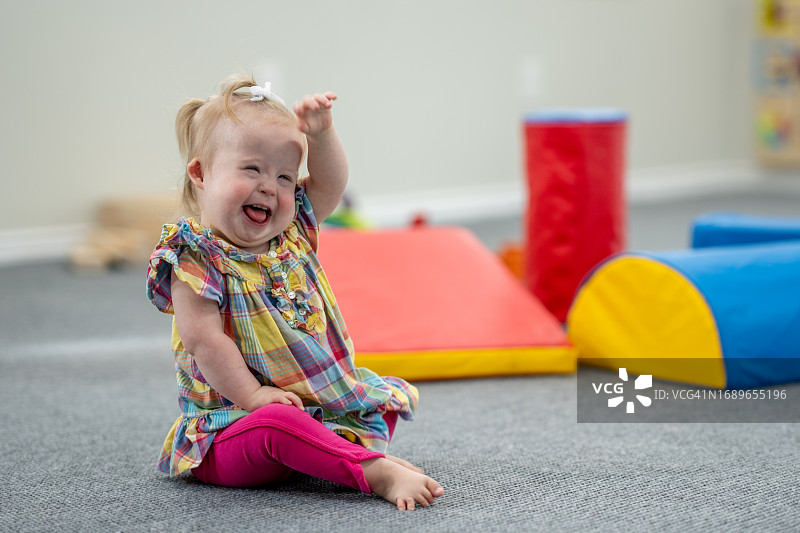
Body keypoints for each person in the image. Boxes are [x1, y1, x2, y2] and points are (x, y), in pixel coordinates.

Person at [146, 75, 444, 510]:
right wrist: (253, 397)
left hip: (316, 410)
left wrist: (321, 135)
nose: (270, 186)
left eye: (285, 176)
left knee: (376, 400)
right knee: (276, 425)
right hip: (233, 428)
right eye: (252, 169)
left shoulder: (293, 232)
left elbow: (330, 184)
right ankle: (371, 471)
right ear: (200, 173)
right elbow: (204, 341)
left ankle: (330, 449)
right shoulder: (194, 256)